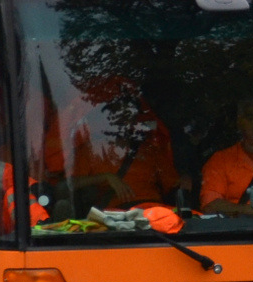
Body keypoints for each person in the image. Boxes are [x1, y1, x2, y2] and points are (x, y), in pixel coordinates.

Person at [45, 77, 188, 211]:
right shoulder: (92, 150)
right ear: (109, 120)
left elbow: (174, 184)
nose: (124, 122)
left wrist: (187, 179)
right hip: (114, 221)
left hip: (154, 214)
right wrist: (105, 177)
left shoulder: (149, 150)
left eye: (129, 116)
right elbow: (63, 187)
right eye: (118, 116)